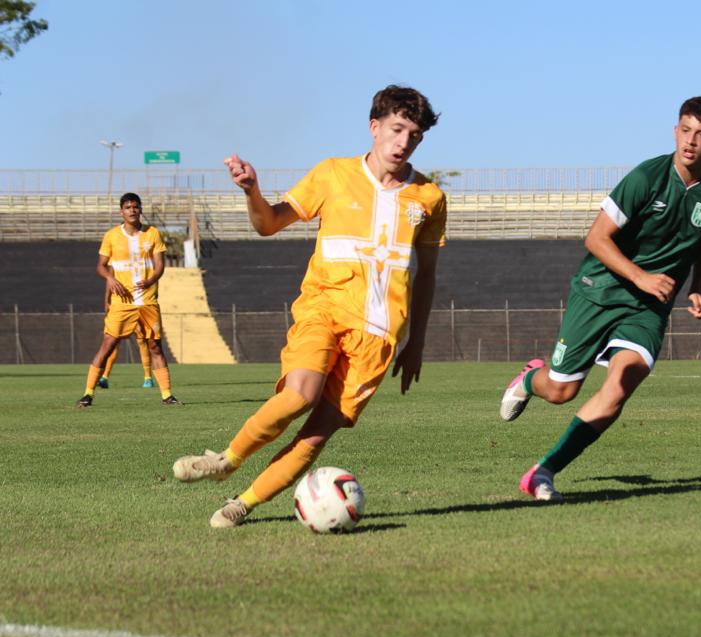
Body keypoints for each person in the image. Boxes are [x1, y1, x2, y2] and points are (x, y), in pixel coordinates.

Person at [172, 85, 446, 528]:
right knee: (300, 392)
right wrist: (252, 191)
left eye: (414, 135)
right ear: (374, 127)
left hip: (380, 337)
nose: (403, 142)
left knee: (317, 432)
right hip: (324, 308)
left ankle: (243, 504)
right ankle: (227, 459)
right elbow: (269, 223)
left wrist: (416, 341)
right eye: (397, 129)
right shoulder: (332, 175)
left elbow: (427, 273)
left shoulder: (430, 198)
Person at [500, 96, 701, 501]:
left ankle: (542, 473)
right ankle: (529, 378)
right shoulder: (646, 177)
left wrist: (698, 284)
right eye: (685, 130)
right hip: (600, 291)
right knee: (561, 392)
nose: (690, 142)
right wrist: (642, 277)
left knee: (620, 386)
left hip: (647, 309)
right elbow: (595, 238)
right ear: (674, 130)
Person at [76, 193, 179, 407]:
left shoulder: (153, 234)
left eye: (135, 206)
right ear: (121, 211)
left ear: (140, 209)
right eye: (128, 207)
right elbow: (100, 266)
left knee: (156, 347)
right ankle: (88, 394)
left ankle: (167, 395)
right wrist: (110, 279)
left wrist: (151, 279)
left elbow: (160, 265)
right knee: (107, 345)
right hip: (122, 303)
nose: (132, 210)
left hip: (148, 301)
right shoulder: (112, 236)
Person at [97, 284, 155, 389]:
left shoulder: (140, 270)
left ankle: (148, 378)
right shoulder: (117, 269)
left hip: (138, 307)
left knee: (141, 341)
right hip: (120, 309)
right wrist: (106, 301)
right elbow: (110, 282)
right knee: (113, 343)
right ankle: (104, 378)